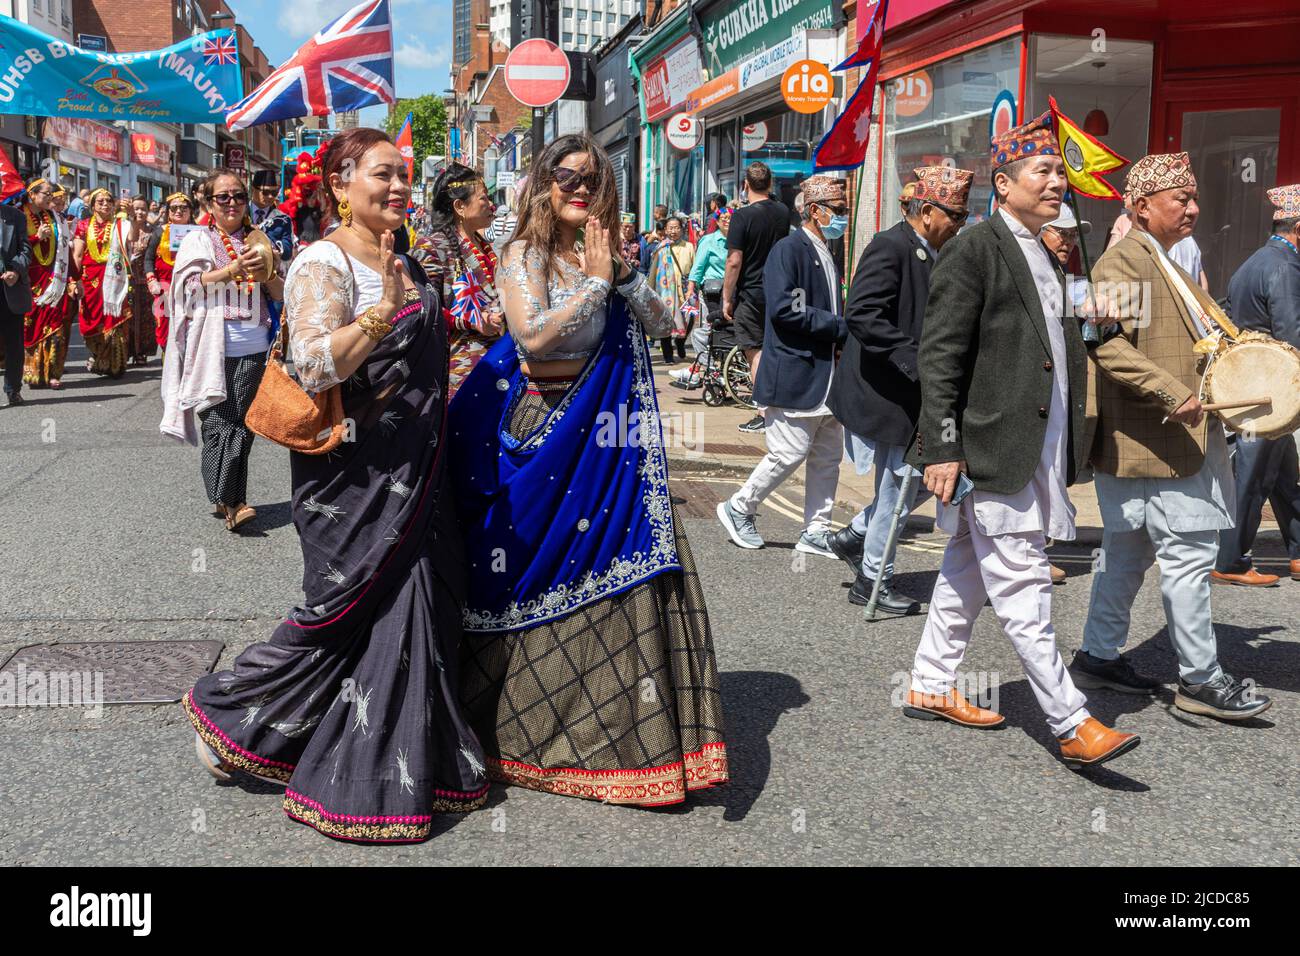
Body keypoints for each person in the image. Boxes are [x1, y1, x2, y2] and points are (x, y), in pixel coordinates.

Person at [180, 128, 489, 842]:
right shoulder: (325, 260)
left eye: (405, 175)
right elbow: (317, 366)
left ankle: (403, 753)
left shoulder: (403, 259)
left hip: (419, 473)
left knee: (411, 615)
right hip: (351, 480)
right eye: (383, 174)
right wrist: (381, 312)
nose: (400, 187)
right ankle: (234, 715)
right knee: (342, 615)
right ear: (340, 184)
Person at [448, 133, 729, 806]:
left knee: (630, 569)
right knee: (530, 579)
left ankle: (629, 743)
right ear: (543, 185)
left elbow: (663, 323)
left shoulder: (610, 254)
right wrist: (600, 282)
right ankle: (508, 731)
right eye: (566, 177)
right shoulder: (523, 253)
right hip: (543, 431)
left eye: (593, 180)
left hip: (611, 439)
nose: (580, 187)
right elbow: (533, 335)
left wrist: (624, 275)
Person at [904, 112, 1139, 768]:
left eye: (1061, 173)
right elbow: (940, 352)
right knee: (1023, 579)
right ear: (1002, 185)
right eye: (1043, 171)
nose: (1057, 182)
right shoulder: (975, 248)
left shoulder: (1042, 250)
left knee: (966, 568)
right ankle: (1071, 721)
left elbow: (1052, 345)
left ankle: (928, 680)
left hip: (1035, 444)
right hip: (990, 445)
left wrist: (1092, 321)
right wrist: (943, 444)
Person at [1077, 151, 1271, 721]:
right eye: (1179, 199)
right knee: (1188, 556)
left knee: (1127, 556)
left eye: (1192, 197)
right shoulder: (1124, 264)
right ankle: (1201, 680)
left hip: (1158, 443)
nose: (1193, 207)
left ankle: (1097, 654)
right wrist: (1172, 392)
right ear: (1141, 206)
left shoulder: (1160, 260)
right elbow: (1105, 345)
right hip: (1159, 438)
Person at [827, 166, 973, 614]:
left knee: (921, 484)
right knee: (899, 485)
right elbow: (865, 316)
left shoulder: (932, 249)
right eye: (956, 216)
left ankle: (855, 536)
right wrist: (917, 362)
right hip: (889, 390)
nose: (961, 225)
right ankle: (872, 578)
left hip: (910, 390)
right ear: (927, 211)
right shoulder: (890, 246)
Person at [716, 175, 849, 557]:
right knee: (788, 453)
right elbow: (786, 311)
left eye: (843, 211)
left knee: (827, 455)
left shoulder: (827, 251)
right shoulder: (788, 250)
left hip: (826, 374)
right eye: (836, 211)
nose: (841, 218)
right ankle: (740, 506)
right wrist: (840, 327)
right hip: (796, 370)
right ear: (815, 211)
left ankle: (816, 529)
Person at [159, 168, 281, 531]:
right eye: (223, 197)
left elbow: (278, 294)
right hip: (214, 344)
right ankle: (231, 498)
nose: (232, 203)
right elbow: (186, 289)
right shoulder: (198, 240)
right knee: (218, 420)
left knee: (243, 423)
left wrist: (269, 274)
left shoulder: (259, 239)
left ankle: (229, 498)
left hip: (254, 343)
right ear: (208, 203)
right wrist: (231, 269)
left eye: (239, 196)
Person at [1215, 184, 1300, 585]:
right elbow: (1291, 332)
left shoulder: (1254, 261)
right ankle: (1231, 562)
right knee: (1253, 479)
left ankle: (1299, 552)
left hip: (1256, 381)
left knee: (1285, 477)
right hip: (1270, 388)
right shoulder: (1285, 266)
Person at [423, 161, 504, 398]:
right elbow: (424, 311)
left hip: (497, 361)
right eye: (484, 199)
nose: (492, 205)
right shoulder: (433, 247)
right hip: (459, 372)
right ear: (459, 206)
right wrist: (471, 321)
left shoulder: (485, 247)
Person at [724, 161, 790, 432]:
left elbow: (734, 261)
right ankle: (781, 408)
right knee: (776, 351)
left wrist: (727, 297)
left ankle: (765, 414)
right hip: (780, 291)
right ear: (771, 183)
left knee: (756, 353)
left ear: (745, 185)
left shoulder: (742, 216)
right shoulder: (784, 212)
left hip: (751, 295)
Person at [72, 188, 131, 378]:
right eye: (100, 202)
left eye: (108, 201)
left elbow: (132, 239)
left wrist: (130, 218)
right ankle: (98, 357)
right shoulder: (83, 225)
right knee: (91, 321)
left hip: (115, 277)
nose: (105, 204)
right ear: (92, 206)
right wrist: (74, 279)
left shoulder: (120, 224)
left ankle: (114, 365)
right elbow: (78, 255)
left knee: (114, 319)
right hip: (91, 280)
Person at [670, 207, 731, 387]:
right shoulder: (709, 240)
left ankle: (696, 371)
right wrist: (690, 287)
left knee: (714, 332)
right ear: (717, 222)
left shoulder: (738, 240)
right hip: (711, 293)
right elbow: (698, 266)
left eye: (730, 218)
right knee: (707, 329)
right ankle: (704, 370)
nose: (727, 221)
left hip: (730, 292)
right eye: (724, 218)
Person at [20, 178, 72, 391]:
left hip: (53, 279)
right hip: (29, 281)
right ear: (32, 195)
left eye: (52, 194)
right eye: (46, 194)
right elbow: (13, 246)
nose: (50, 198)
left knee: (55, 326)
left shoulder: (54, 218)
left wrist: (73, 279)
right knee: (31, 326)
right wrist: (36, 238)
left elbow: (64, 250)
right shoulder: (19, 215)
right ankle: (33, 372)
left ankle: (52, 373)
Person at [144, 193, 194, 359]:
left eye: (183, 208)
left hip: (192, 289)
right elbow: (149, 259)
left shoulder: (199, 232)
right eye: (174, 208)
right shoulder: (159, 232)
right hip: (164, 288)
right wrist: (152, 280)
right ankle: (169, 365)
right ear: (168, 211)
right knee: (165, 329)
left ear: (190, 211)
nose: (178, 211)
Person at [647, 214, 695, 363]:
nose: (673, 231)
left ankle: (681, 341)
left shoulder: (689, 246)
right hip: (665, 292)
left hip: (685, 290)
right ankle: (668, 354)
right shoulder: (660, 248)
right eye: (670, 228)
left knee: (690, 318)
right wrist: (650, 290)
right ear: (666, 230)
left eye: (676, 228)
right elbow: (654, 270)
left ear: (682, 229)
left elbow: (695, 268)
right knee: (666, 321)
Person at [0, 197, 33, 408]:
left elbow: (26, 250)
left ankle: (13, 389)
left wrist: (15, 271)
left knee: (14, 344)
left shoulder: (16, 216)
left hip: (9, 289)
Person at [125, 196, 156, 366]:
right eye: (136, 209)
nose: (140, 212)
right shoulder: (124, 228)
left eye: (143, 209)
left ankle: (141, 352)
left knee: (146, 318)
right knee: (128, 317)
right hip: (127, 279)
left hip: (146, 281)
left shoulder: (154, 231)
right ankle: (127, 350)